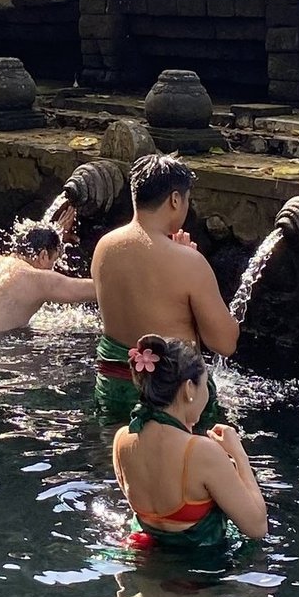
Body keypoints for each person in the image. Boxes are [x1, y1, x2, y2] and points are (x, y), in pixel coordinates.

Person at [91, 153, 237, 426]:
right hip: (172, 399)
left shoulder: (104, 247)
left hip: (113, 387)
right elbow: (224, 343)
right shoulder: (189, 262)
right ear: (175, 199)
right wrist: (189, 263)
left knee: (121, 462)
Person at [113, 334, 269, 561]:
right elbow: (257, 528)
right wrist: (239, 454)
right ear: (189, 389)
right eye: (205, 384)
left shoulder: (122, 439)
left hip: (148, 563)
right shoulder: (200, 451)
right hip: (199, 578)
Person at [0, 209, 99, 340]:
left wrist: (57, 233)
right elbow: (99, 289)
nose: (52, 269)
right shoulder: (35, 278)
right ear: (42, 256)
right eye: (54, 260)